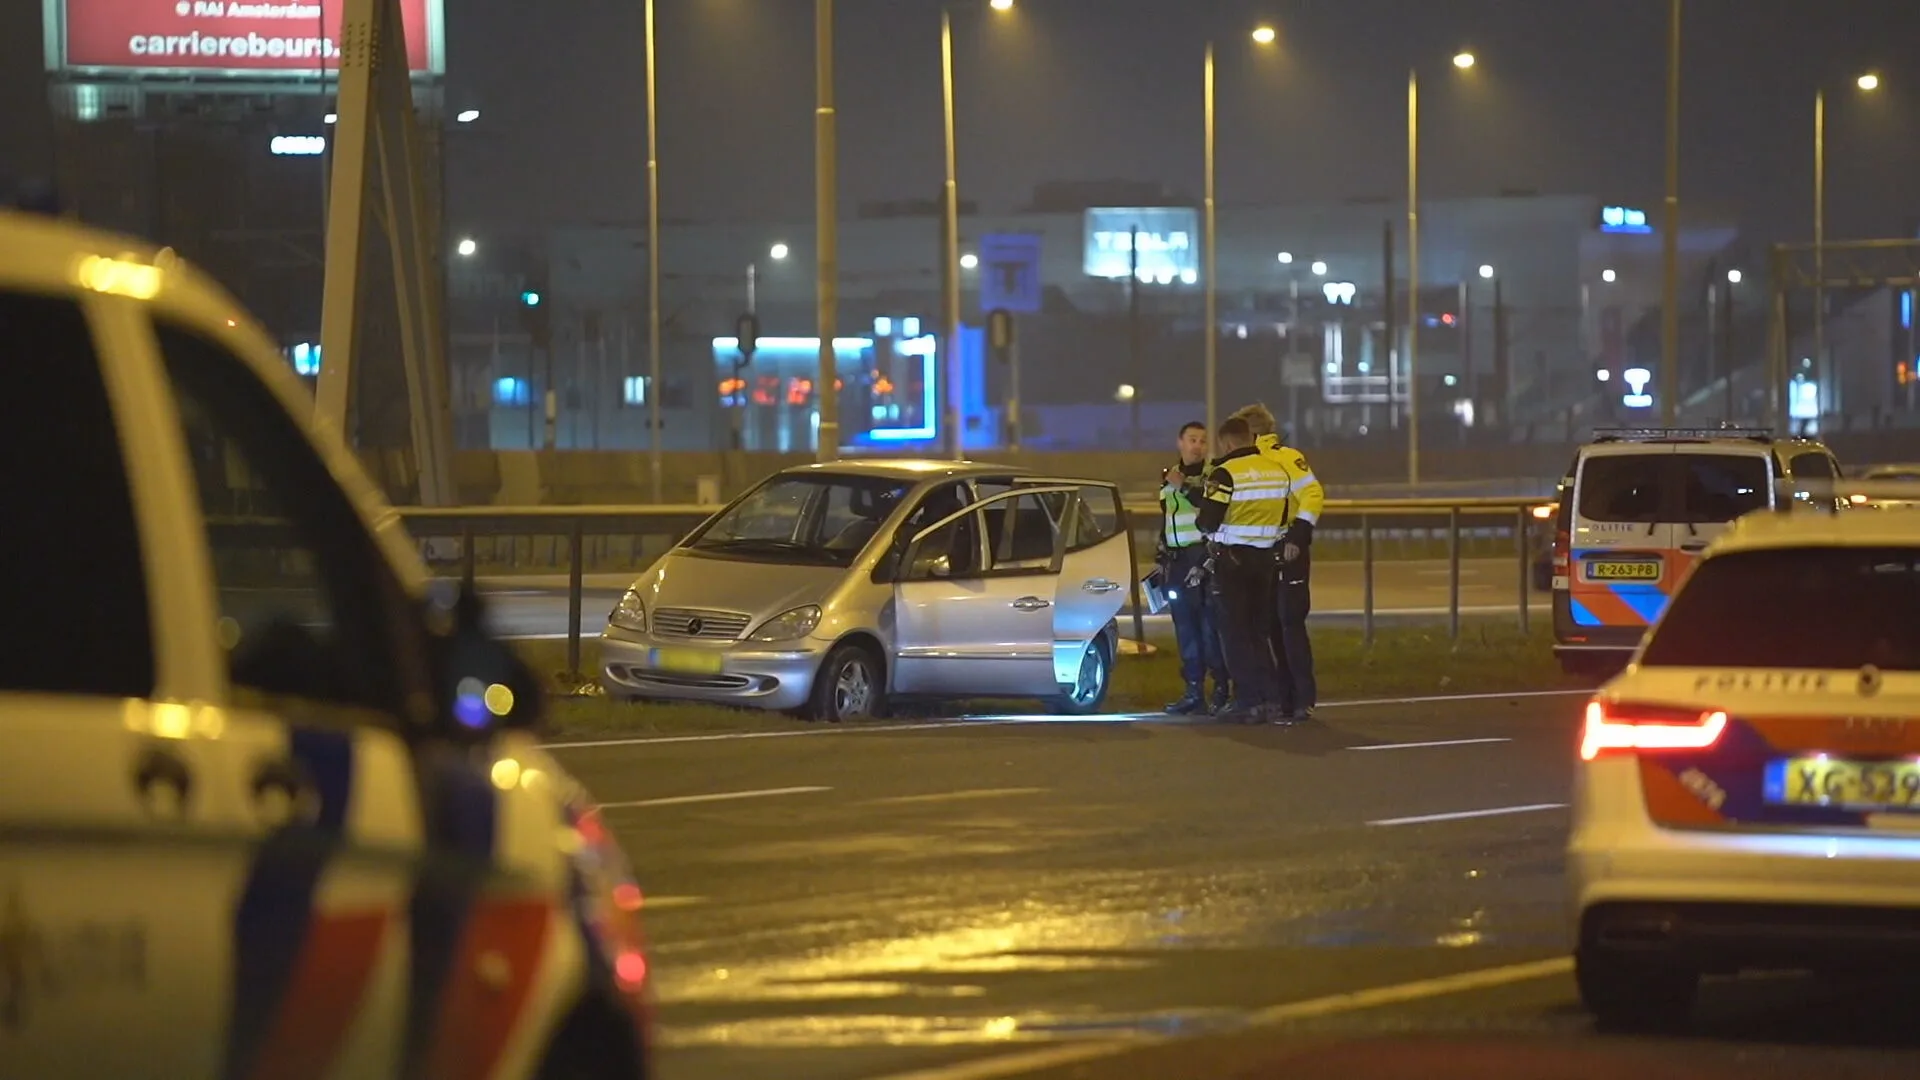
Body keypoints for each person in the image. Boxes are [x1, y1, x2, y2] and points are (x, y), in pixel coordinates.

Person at [1192, 415, 1291, 723]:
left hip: (1231, 561)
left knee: (1235, 634)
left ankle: (1247, 701)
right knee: (1259, 632)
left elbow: (1208, 521)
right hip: (1265, 561)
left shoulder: (1225, 473)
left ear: (1228, 442)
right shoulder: (1277, 472)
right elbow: (1285, 515)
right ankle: (1271, 699)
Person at [1231, 403, 1324, 721]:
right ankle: (1282, 697)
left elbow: (1312, 493)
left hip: (1287, 548)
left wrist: (1298, 536)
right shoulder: (1249, 462)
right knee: (1269, 625)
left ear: (1251, 433)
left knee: (1289, 623)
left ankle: (1302, 697)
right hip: (1263, 551)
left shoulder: (1284, 458)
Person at [1156, 421, 1229, 714]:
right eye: (1192, 440)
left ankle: (1222, 689)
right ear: (1180, 442)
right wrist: (1161, 555)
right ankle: (1193, 691)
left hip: (1203, 560)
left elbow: (1209, 508)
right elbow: (1169, 519)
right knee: (1185, 630)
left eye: (1202, 441)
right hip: (1176, 561)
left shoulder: (1213, 475)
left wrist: (1182, 486)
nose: (1197, 446)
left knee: (1209, 630)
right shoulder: (1170, 476)